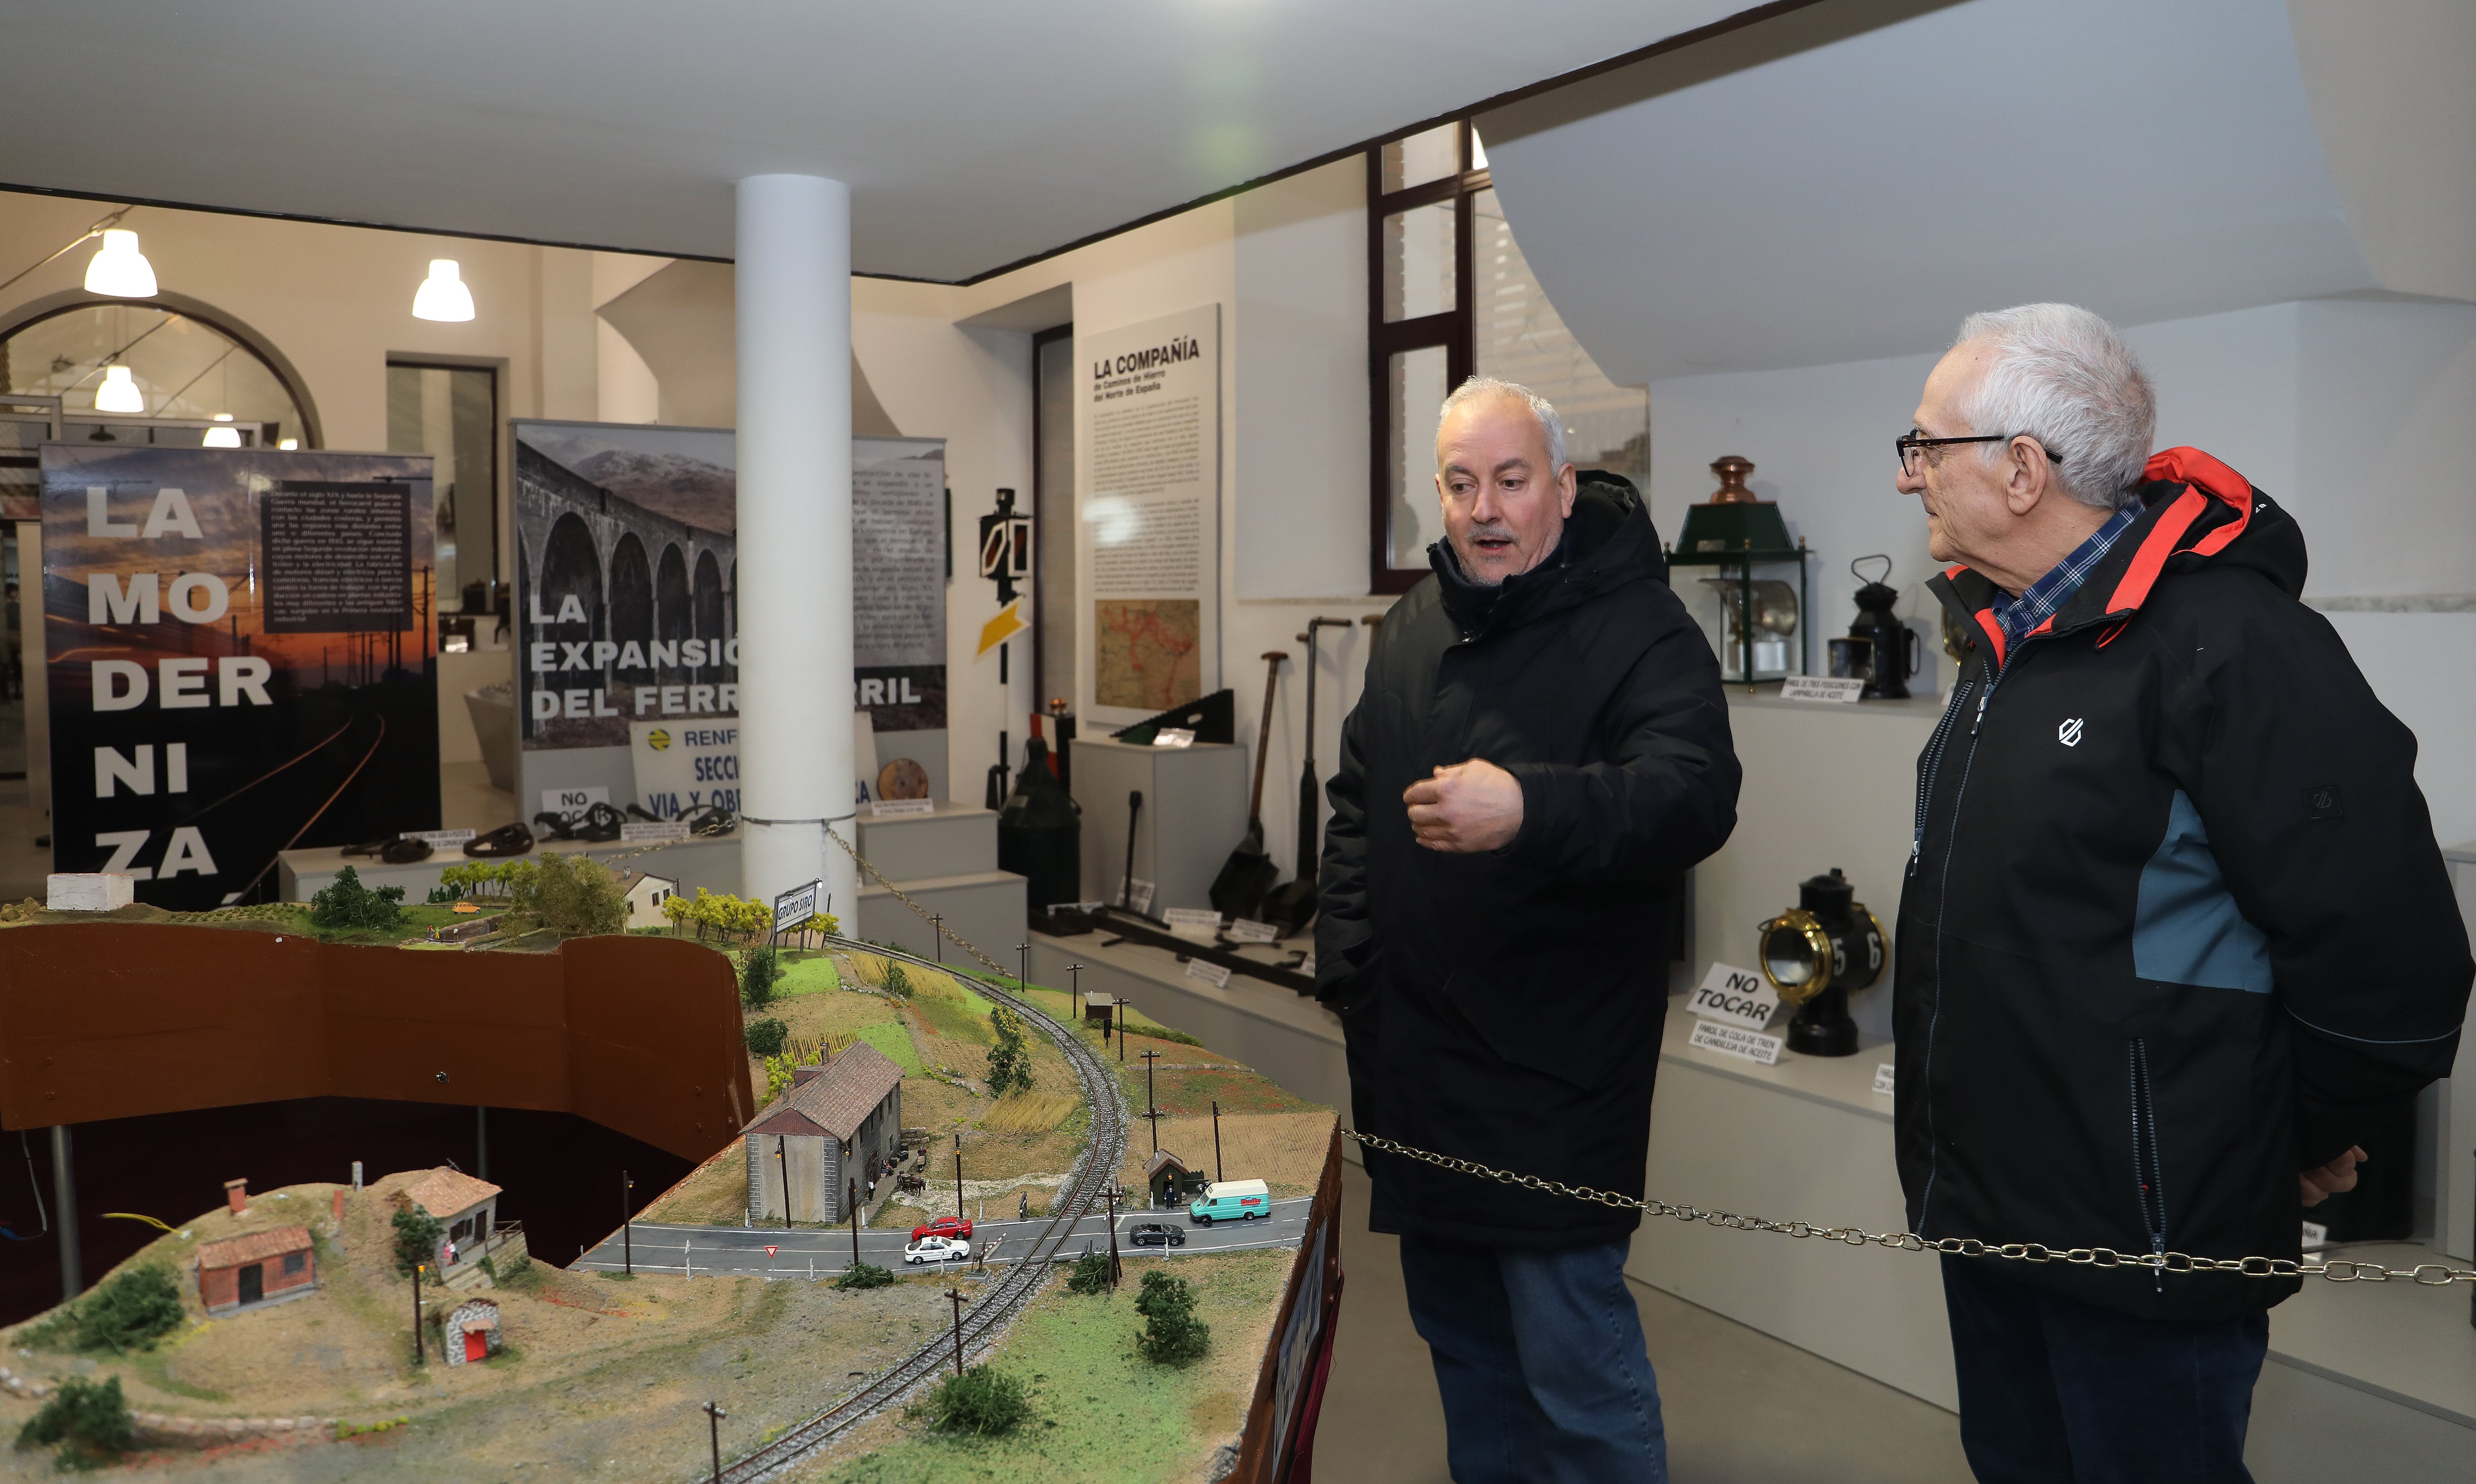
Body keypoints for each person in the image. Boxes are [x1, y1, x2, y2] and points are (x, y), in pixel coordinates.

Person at [1893, 303, 2473, 1483]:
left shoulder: (2235, 646)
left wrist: (2281, 1134)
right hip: (1993, 1205)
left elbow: (2390, 961)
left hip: (2145, 1237)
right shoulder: (2008, 641)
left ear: (2020, 468)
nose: (1909, 478)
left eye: (1926, 446)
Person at [1318, 375, 1740, 1484]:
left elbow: (1694, 793)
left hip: (1556, 1066)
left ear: (1561, 485)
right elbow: (1357, 801)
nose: (1485, 508)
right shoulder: (1415, 620)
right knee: (1462, 1347)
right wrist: (1350, 965)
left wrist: (1531, 806)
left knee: (1573, 1364)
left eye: (1510, 480)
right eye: (1461, 484)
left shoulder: (1640, 626)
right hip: (1415, 1058)